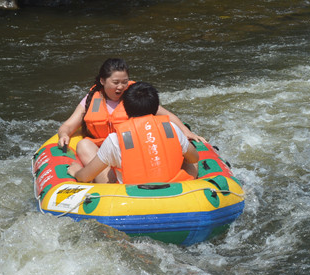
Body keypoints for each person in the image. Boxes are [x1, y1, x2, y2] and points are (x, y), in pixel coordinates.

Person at [58, 58, 204, 183]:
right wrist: (64, 134)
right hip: (109, 151)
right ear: (102, 81)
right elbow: (194, 158)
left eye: (125, 82)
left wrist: (186, 131)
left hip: (127, 148)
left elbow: (166, 114)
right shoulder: (92, 100)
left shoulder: (136, 98)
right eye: (115, 82)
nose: (121, 87)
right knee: (84, 144)